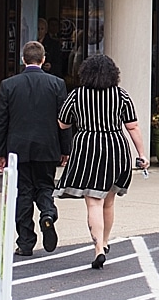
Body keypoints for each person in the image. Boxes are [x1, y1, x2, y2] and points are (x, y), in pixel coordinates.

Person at [56, 53, 148, 269]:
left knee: (93, 201)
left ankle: (97, 248)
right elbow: (132, 126)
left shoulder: (77, 95)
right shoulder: (121, 95)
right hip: (116, 147)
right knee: (109, 200)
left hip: (87, 147)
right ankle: (105, 241)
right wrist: (142, 154)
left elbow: (62, 123)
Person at [0, 40, 70, 256]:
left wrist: (0, 153)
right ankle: (47, 212)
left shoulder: (8, 85)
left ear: (23, 59)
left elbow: (2, 121)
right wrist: (66, 149)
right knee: (45, 186)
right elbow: (63, 121)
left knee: (23, 193)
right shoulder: (57, 84)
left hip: (18, 149)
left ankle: (26, 242)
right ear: (43, 59)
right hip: (47, 147)